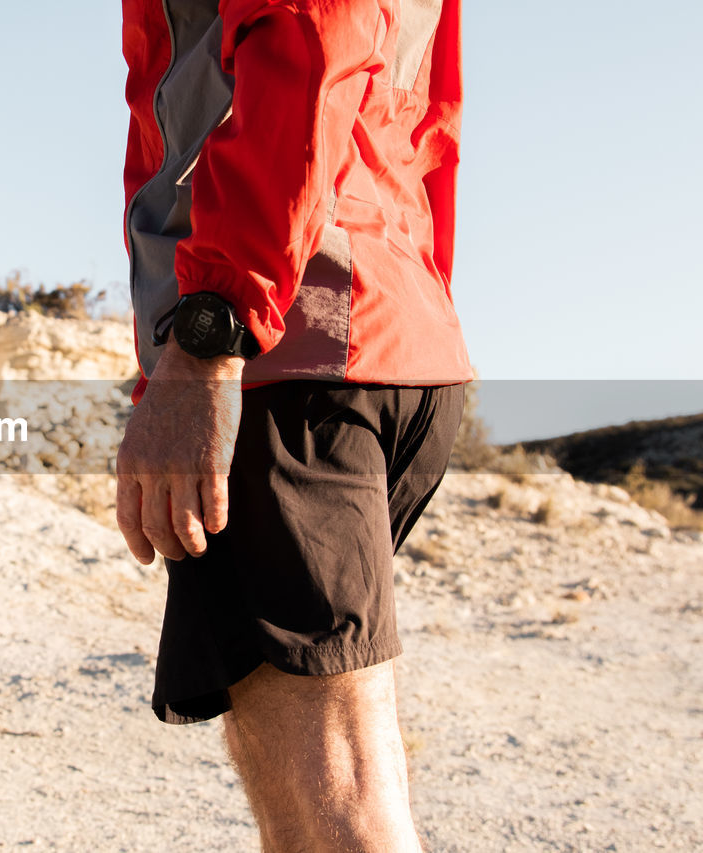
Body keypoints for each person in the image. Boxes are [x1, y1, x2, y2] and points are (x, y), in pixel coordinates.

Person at [115, 0, 472, 849]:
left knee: (337, 807)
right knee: (324, 788)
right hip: (377, 333)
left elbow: (312, 46)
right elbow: (425, 126)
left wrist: (211, 336)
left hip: (290, 348)